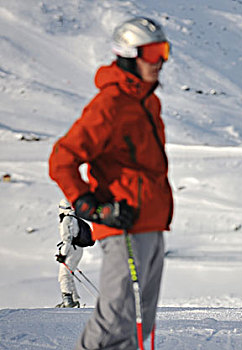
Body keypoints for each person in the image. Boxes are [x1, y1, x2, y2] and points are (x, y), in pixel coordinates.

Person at [48, 16, 174, 349]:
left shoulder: (148, 101)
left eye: (164, 50)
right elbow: (62, 159)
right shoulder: (110, 104)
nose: (160, 60)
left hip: (152, 224)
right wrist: (90, 205)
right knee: (114, 317)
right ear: (130, 54)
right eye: (152, 52)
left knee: (140, 320)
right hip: (123, 226)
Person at [55, 199, 86, 308]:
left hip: (71, 249)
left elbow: (67, 239)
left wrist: (62, 255)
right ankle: (73, 299)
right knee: (69, 274)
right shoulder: (76, 218)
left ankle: (68, 301)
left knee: (64, 275)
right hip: (78, 249)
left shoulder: (66, 220)